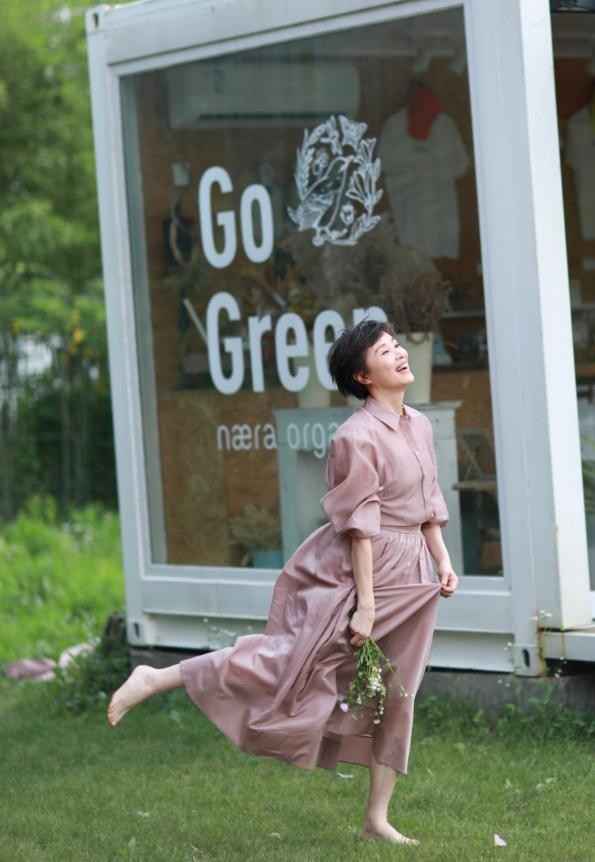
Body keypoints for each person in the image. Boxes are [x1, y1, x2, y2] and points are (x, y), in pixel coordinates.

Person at [107, 318, 459, 847]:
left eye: (396, 346)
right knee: (289, 660)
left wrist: (442, 559)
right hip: (364, 570)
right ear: (363, 376)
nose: (400, 354)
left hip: (415, 575)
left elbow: (429, 505)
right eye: (385, 351)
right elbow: (360, 527)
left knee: (398, 692)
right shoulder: (355, 437)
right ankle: (158, 678)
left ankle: (376, 819)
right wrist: (364, 607)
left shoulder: (421, 426)